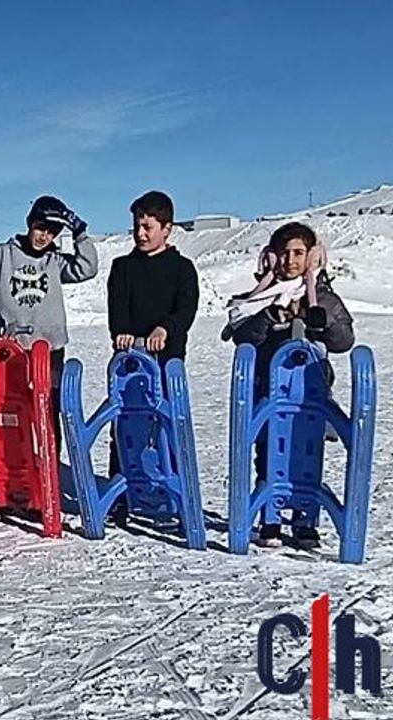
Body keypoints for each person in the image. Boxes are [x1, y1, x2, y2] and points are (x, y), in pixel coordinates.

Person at [0, 195, 97, 520]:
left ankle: (46, 487)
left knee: (46, 420)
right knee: (10, 421)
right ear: (30, 223)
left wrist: (80, 232)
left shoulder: (55, 261)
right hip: (12, 353)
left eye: (52, 232)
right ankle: (8, 490)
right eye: (41, 228)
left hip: (49, 352)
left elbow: (87, 268)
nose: (44, 236)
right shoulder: (3, 255)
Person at [225, 221, 354, 550]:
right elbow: (241, 335)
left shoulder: (323, 296)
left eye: (298, 253)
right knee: (268, 453)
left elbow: (344, 340)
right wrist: (268, 317)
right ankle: (269, 518)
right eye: (283, 253)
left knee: (306, 455)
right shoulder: (260, 298)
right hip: (267, 391)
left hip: (309, 397)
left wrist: (322, 321)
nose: (290, 260)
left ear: (312, 256)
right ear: (271, 257)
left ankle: (304, 521)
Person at [104, 191, 199, 524]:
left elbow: (186, 309)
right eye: (136, 227)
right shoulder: (123, 267)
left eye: (148, 227)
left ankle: (176, 493)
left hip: (167, 362)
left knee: (169, 425)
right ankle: (120, 496)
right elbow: (117, 307)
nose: (140, 234)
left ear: (167, 229)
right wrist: (123, 332)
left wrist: (165, 329)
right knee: (125, 425)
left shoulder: (182, 269)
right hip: (130, 364)